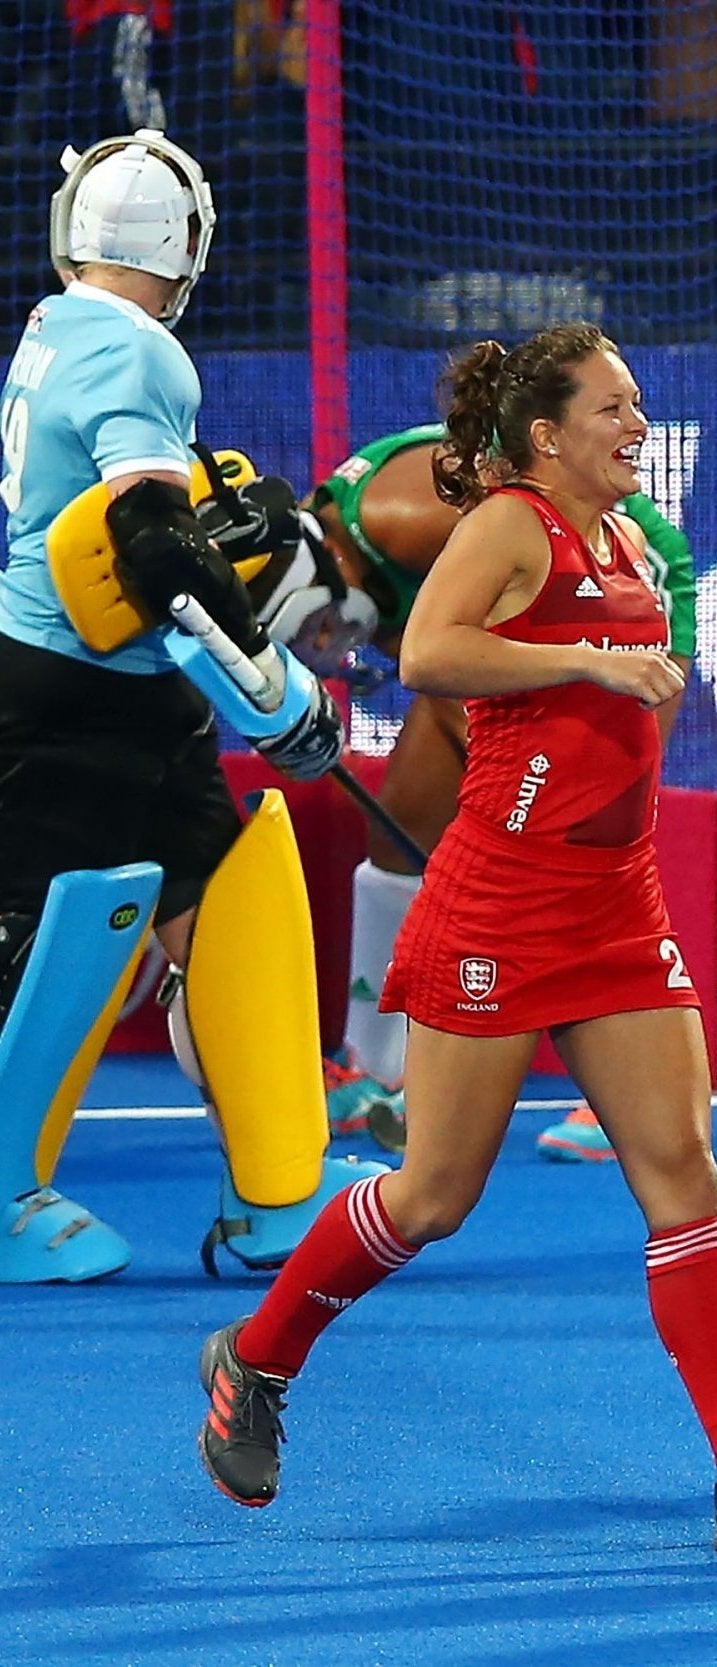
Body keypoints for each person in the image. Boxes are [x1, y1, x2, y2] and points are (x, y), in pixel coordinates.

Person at [193, 324, 717, 1558]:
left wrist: (603, 679)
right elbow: (427, 653)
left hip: (615, 902)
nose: (636, 422)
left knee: (683, 1169)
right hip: (502, 897)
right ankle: (256, 1359)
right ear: (546, 434)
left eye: (638, 402)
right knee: (434, 1194)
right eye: (613, 406)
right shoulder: (510, 522)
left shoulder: (629, 538)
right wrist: (587, 663)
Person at [0, 129, 373, 1282]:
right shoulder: (143, 353)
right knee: (45, 943)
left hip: (113, 693)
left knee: (224, 898)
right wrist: (276, 690)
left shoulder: (57, 326)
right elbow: (149, 549)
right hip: (74, 701)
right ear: (187, 244)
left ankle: (276, 1189)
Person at [314, 421, 698, 1162]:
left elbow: (470, 668)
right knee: (399, 825)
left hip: (619, 587)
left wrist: (506, 804)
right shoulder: (360, 548)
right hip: (528, 624)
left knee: (603, 821)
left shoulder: (401, 519)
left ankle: (627, 1081)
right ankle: (369, 1067)